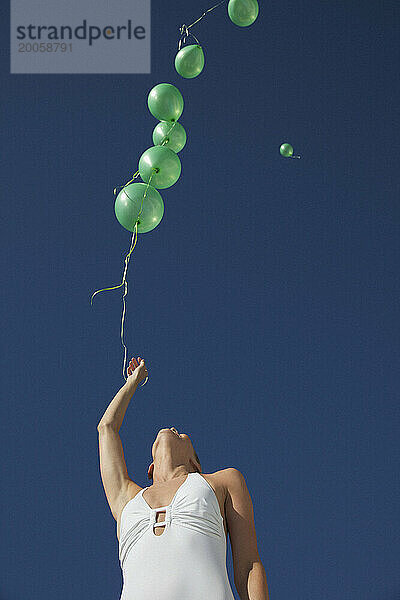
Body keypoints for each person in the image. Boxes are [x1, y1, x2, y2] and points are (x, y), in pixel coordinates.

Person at [97, 356, 270, 600]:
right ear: (150, 467)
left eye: (181, 434)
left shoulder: (223, 482)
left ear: (195, 463)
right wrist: (132, 383)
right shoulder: (126, 499)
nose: (174, 429)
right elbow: (106, 428)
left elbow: (249, 566)